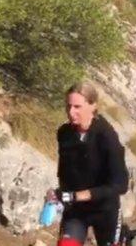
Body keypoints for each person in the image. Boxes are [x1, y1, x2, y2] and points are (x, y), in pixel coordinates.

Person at [47, 81, 129, 246]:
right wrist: (58, 193)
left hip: (105, 210)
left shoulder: (106, 136)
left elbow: (121, 185)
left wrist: (81, 195)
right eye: (68, 106)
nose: (71, 112)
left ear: (93, 106)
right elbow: (66, 172)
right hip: (76, 211)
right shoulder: (64, 133)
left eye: (77, 106)